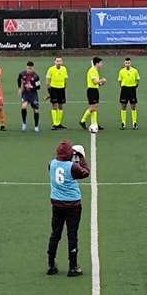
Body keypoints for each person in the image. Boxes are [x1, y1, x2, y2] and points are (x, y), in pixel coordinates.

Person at [46, 139, 90, 277]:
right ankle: (73, 266)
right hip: (72, 205)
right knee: (72, 235)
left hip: (57, 204)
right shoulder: (73, 167)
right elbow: (85, 172)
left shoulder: (51, 164)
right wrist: (81, 157)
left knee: (55, 234)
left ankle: (51, 264)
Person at [80, 56, 105, 131]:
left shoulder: (95, 71)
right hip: (92, 91)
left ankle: (95, 123)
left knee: (95, 107)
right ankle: (82, 120)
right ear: (97, 63)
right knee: (93, 107)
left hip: (95, 89)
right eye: (101, 63)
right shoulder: (92, 70)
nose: (102, 64)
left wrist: (101, 83)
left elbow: (96, 83)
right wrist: (102, 80)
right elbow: (94, 81)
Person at [117, 56, 141, 130]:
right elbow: (120, 81)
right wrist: (122, 87)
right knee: (123, 106)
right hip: (124, 89)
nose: (127, 64)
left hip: (132, 89)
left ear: (130, 63)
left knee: (133, 106)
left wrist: (135, 87)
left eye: (129, 63)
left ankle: (134, 123)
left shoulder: (135, 71)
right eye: (126, 63)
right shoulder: (121, 71)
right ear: (124, 63)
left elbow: (137, 79)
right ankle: (123, 123)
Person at [46, 55, 69, 130]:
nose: (59, 62)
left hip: (61, 89)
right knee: (54, 105)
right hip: (54, 89)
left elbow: (65, 80)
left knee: (61, 106)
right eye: (57, 61)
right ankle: (54, 123)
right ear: (54, 62)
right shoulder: (51, 69)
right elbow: (47, 81)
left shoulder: (64, 69)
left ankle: (59, 123)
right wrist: (50, 91)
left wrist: (64, 87)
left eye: (60, 61)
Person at [18, 61, 41, 133]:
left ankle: (36, 126)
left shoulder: (36, 76)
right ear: (26, 68)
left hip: (33, 94)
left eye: (30, 69)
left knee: (36, 110)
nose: (29, 70)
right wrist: (20, 88)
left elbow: (38, 87)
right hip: (25, 94)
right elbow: (19, 79)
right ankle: (24, 123)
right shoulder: (22, 74)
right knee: (23, 106)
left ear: (33, 68)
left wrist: (32, 87)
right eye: (28, 68)